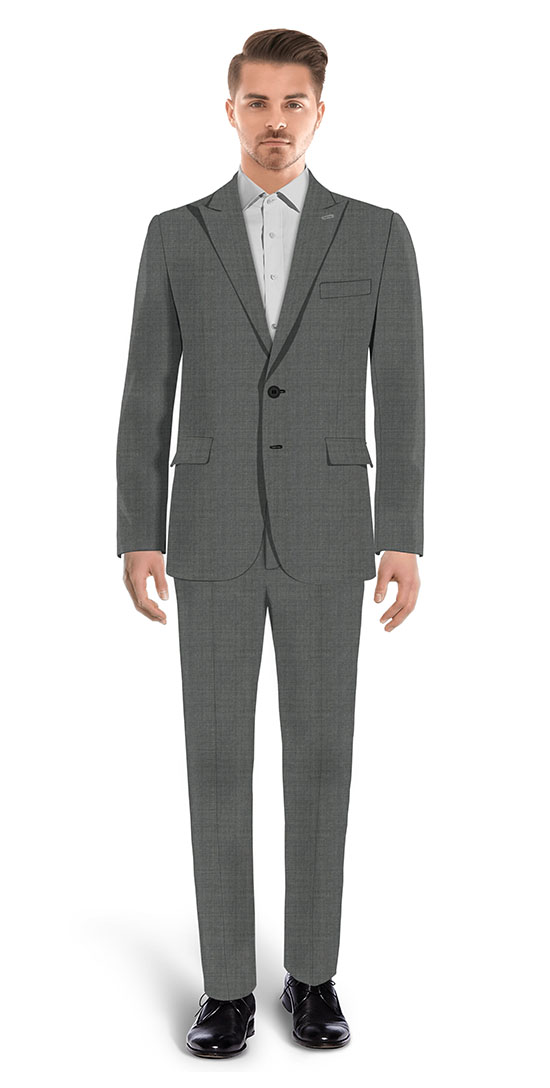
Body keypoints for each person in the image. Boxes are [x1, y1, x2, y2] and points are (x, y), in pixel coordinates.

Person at [116, 27, 425, 1058]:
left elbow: (403, 392)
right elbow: (146, 390)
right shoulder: (175, 235)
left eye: (295, 103)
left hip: (332, 531)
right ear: (230, 110)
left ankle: (313, 975)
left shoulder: (376, 235)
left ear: (320, 113)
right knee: (215, 761)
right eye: (258, 101)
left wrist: (402, 534)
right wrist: (138, 531)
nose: (276, 121)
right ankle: (225, 989)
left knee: (322, 760)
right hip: (206, 531)